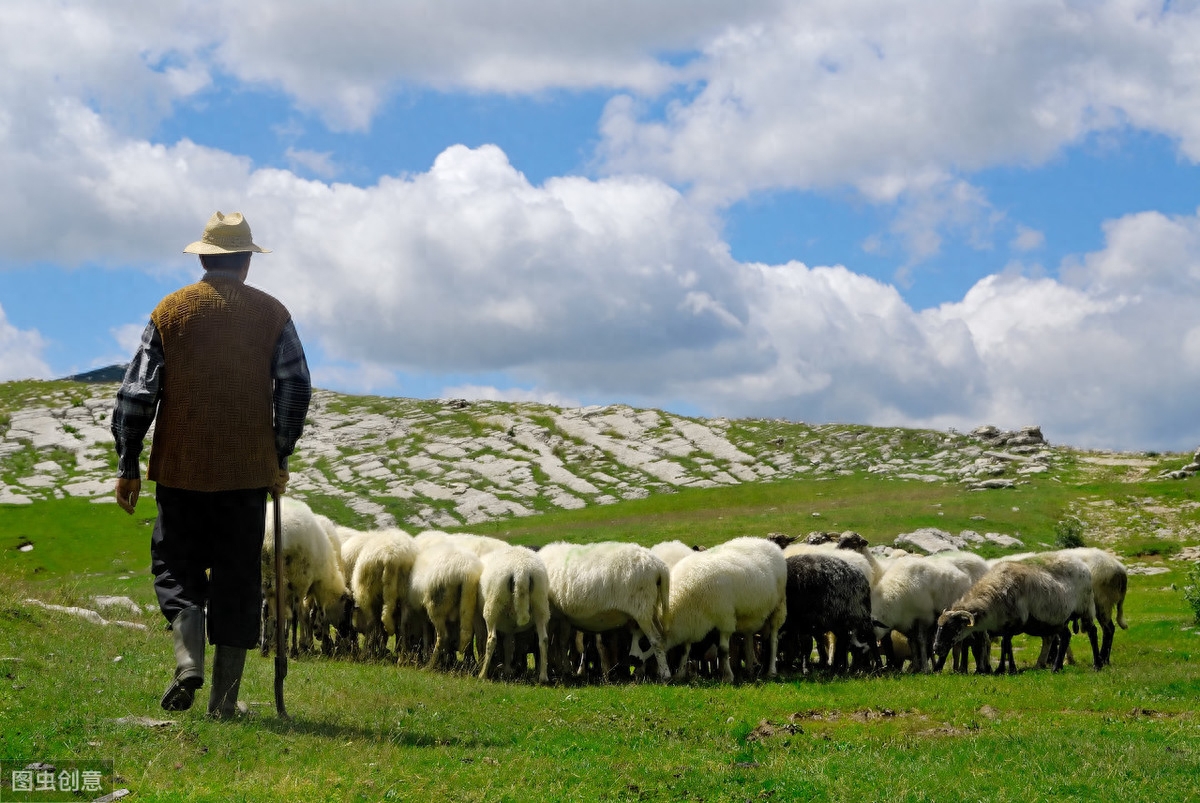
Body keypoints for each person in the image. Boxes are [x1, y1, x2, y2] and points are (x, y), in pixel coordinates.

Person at [111, 211, 311, 717]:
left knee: (175, 567)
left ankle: (187, 663)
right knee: (238, 576)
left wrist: (128, 463)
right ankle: (224, 701)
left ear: (203, 257)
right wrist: (279, 452)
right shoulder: (272, 315)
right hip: (246, 473)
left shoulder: (171, 312)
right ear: (246, 261)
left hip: (181, 470)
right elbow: (295, 385)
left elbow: (137, 392)